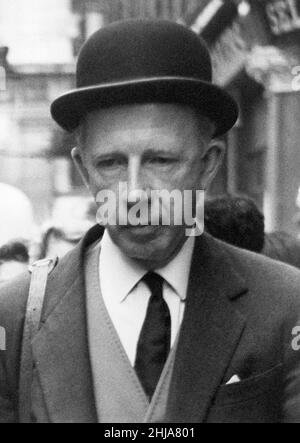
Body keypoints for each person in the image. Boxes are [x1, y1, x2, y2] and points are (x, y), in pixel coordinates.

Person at [0, 20, 300, 424]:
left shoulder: (285, 305)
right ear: (84, 172)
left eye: (161, 161)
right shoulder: (15, 315)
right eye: (111, 164)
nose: (135, 192)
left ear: (208, 164)